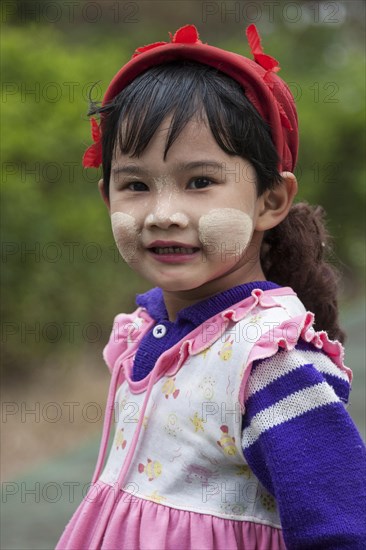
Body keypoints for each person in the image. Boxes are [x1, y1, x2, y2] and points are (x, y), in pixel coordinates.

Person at [56, 24, 366, 550]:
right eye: (136, 185)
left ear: (270, 200)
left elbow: (341, 529)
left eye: (200, 182)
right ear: (107, 196)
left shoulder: (269, 364)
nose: (163, 214)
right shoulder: (147, 331)